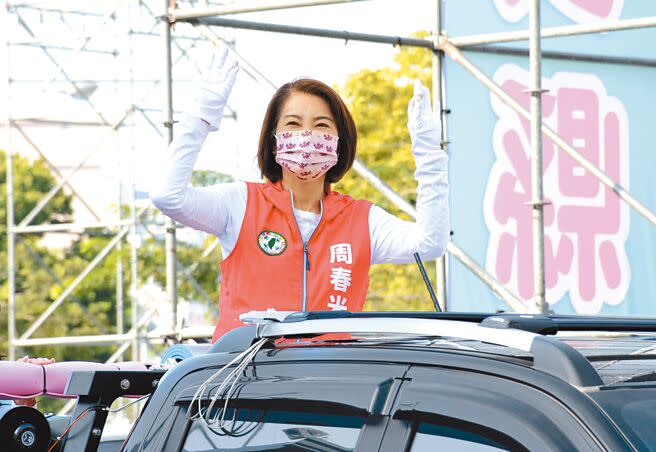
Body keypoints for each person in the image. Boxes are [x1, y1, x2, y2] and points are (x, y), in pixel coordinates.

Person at [150, 48, 449, 342]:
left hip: (324, 383)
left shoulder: (362, 219)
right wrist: (201, 116)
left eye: (321, 126)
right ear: (273, 140)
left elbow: (430, 243)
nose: (307, 136)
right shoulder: (241, 203)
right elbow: (168, 195)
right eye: (293, 124)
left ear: (339, 142)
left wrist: (428, 155)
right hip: (244, 379)